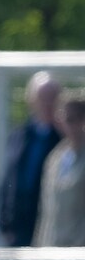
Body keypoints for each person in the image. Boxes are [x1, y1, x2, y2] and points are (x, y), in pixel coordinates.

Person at [0, 71, 61, 247]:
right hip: (17, 231)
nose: (47, 104)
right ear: (31, 100)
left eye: (52, 97)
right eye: (43, 98)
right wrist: (4, 224)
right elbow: (7, 180)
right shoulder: (19, 135)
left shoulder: (65, 139)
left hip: (49, 230)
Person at [34, 89, 85, 246]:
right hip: (52, 254)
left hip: (78, 255)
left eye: (72, 119)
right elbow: (46, 212)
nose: (67, 125)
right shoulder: (55, 158)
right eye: (62, 119)